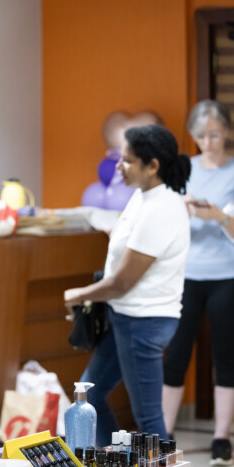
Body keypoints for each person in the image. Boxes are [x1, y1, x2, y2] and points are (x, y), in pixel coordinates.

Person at [64, 125, 191, 448]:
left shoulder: (161, 208)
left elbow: (123, 282)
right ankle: (114, 463)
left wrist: (80, 294)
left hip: (143, 323)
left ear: (152, 166)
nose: (119, 166)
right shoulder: (144, 195)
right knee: (89, 396)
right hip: (127, 320)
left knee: (148, 418)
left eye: (128, 160)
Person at [161, 100, 234, 467]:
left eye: (214, 134)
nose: (208, 142)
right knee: (176, 353)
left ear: (227, 131)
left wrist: (217, 214)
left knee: (225, 355)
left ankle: (222, 438)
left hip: (228, 276)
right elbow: (163, 217)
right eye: (200, 135)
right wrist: (180, 206)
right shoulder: (185, 166)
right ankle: (164, 433)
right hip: (185, 274)